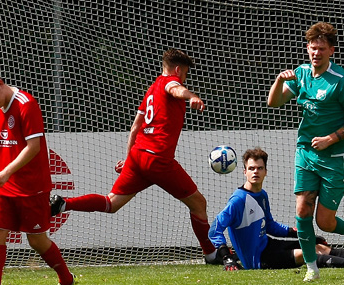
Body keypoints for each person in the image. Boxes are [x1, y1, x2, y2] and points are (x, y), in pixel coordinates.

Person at [50, 49, 218, 261]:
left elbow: (135, 127)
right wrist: (192, 96)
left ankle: (64, 203)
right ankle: (211, 254)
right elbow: (175, 89)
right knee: (198, 203)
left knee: (112, 203)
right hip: (158, 159)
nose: (184, 79)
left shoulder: (151, 90)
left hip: (139, 155)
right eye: (185, 74)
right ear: (177, 70)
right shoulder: (170, 83)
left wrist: (129, 159)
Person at [267, 22, 344, 282]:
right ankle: (312, 268)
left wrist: (330, 139)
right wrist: (279, 80)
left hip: (335, 159)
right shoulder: (300, 74)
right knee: (302, 210)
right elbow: (273, 102)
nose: (316, 53)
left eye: (322, 48)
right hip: (306, 153)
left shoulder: (341, 80)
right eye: (312, 48)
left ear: (331, 50)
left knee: (325, 221)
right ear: (307, 48)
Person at [0, 68, 75, 285]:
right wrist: (4, 174)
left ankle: (67, 280)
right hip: (5, 186)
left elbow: (33, 146)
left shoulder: (26, 104)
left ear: (0, 83)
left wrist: (6, 171)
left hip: (31, 186)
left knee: (36, 241)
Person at [208, 148, 344, 270]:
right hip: (258, 259)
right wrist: (226, 257)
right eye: (251, 168)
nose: (255, 172)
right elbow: (215, 228)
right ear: (244, 172)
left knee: (315, 245)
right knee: (306, 254)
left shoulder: (262, 195)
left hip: (268, 244)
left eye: (260, 168)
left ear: (266, 171)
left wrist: (295, 233)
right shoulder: (238, 200)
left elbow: (270, 226)